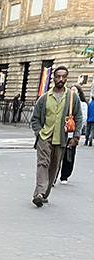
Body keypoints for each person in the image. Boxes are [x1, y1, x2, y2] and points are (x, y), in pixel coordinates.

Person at [30, 65, 82, 206]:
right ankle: (39, 193)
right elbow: (35, 119)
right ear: (53, 78)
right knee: (43, 163)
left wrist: (76, 136)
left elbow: (78, 117)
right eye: (58, 76)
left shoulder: (72, 97)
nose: (60, 79)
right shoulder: (44, 98)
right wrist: (39, 132)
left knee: (54, 166)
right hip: (45, 137)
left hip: (61, 138)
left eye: (63, 77)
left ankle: (44, 194)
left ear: (66, 78)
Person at [59, 84, 88, 183]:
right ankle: (53, 176)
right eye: (71, 90)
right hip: (61, 132)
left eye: (74, 90)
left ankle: (64, 175)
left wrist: (77, 132)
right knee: (57, 155)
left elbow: (82, 119)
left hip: (72, 133)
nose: (72, 92)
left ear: (79, 92)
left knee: (69, 156)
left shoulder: (82, 104)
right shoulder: (64, 101)